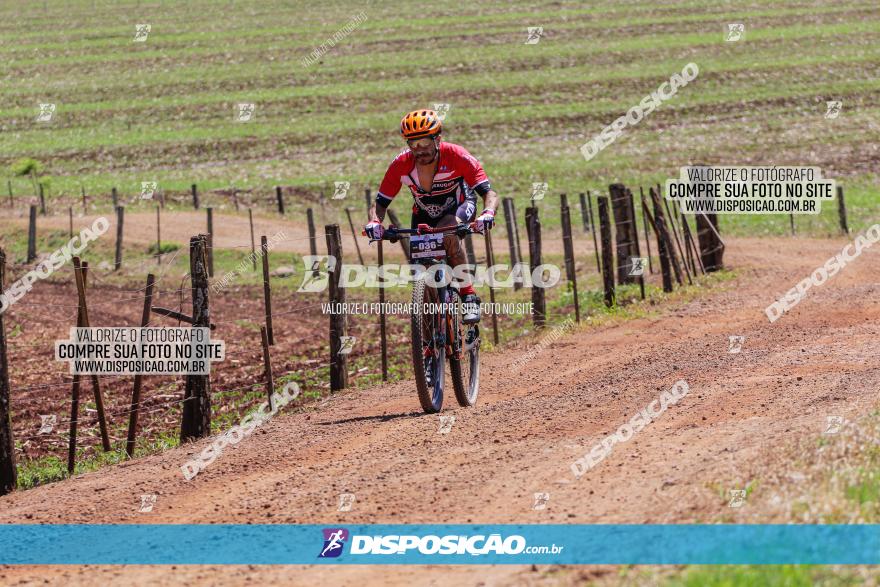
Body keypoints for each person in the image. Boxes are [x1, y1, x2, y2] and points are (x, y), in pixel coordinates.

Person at [365, 109, 499, 323]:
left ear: (437, 139)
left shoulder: (456, 155)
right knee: (422, 276)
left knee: (448, 232)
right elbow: (380, 203)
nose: (420, 150)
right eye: (413, 144)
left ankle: (468, 295)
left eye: (425, 142)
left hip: (459, 206)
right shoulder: (401, 164)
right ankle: (428, 341)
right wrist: (374, 221)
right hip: (423, 215)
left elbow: (489, 193)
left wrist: (487, 213)